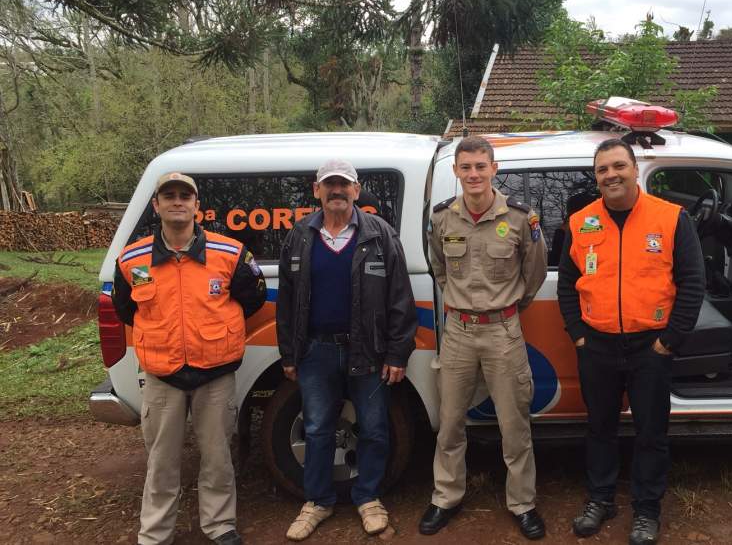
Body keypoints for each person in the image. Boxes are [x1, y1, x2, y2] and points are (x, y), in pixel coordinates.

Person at [557, 139, 704, 544]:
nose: (611, 175)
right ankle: (600, 499)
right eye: (603, 169)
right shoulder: (581, 222)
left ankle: (646, 509)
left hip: (650, 347)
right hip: (597, 346)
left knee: (651, 433)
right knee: (599, 428)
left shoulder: (671, 218)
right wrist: (579, 335)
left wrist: (669, 341)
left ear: (635, 169)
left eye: (619, 166)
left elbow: (693, 283)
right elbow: (568, 284)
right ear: (596, 177)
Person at [111, 172, 266, 545]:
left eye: (185, 196)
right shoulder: (132, 260)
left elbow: (253, 298)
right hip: (162, 376)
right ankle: (155, 533)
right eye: (169, 196)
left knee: (217, 457)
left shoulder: (230, 253)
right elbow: (126, 310)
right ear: (157, 206)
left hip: (214, 375)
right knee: (161, 461)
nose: (177, 202)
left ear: (197, 206)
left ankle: (220, 525)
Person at [276, 159, 417, 540]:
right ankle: (317, 501)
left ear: (356, 190)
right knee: (317, 428)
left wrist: (397, 353)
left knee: (374, 428)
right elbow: (286, 301)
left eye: (344, 184)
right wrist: (289, 353)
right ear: (317, 190)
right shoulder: (300, 235)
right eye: (329, 184)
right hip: (315, 351)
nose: (336, 190)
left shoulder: (380, 234)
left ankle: (368, 498)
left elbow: (400, 297)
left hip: (369, 352)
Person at [422, 136, 548, 540]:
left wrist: (506, 309)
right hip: (457, 332)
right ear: (456, 171)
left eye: (481, 166)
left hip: (503, 332)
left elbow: (534, 273)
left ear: (494, 169)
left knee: (514, 424)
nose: (473, 174)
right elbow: (439, 267)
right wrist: (461, 302)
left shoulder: (520, 218)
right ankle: (446, 497)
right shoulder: (443, 218)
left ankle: (523, 503)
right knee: (450, 423)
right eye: (466, 167)